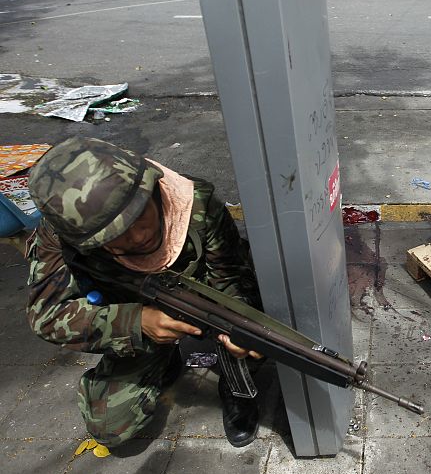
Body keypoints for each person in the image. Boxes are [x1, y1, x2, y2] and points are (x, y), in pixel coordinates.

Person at [26, 137, 263, 449]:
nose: (138, 237)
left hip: (205, 296)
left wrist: (239, 322)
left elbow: (230, 275)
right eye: (114, 237)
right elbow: (47, 315)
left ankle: (235, 388)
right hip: (133, 310)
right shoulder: (62, 234)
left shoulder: (198, 205)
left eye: (140, 216)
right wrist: (136, 322)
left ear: (152, 189)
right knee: (109, 424)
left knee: (259, 329)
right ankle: (162, 359)